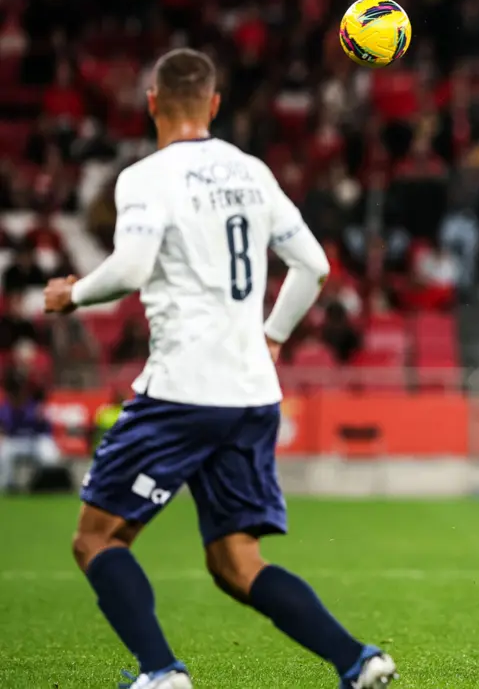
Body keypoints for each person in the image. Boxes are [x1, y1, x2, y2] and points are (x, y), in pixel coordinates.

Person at [41, 49, 397, 689]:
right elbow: (314, 266)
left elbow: (128, 268)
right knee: (236, 562)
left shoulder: (146, 177)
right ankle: (359, 660)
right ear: (214, 104)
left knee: (96, 539)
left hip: (181, 389)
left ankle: (160, 673)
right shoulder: (252, 171)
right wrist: (274, 336)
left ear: (152, 102)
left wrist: (72, 294)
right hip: (251, 392)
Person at [0, 375, 61, 493]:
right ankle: (8, 484)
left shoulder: (34, 406)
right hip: (13, 442)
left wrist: (41, 419)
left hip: (34, 440)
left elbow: (46, 430)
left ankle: (44, 484)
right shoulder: (5, 408)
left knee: (50, 455)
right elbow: (3, 430)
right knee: (3, 452)